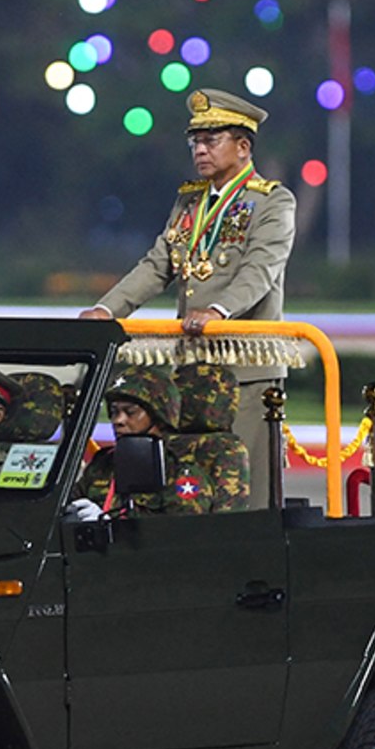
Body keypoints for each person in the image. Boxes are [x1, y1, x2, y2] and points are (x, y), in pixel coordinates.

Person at [79, 88, 296, 504]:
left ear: (243, 146)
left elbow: (260, 270)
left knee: (247, 491)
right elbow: (157, 264)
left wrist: (218, 310)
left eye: (211, 140)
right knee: (190, 483)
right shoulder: (190, 201)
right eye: (195, 141)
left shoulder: (272, 201)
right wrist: (107, 309)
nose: (199, 150)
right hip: (192, 366)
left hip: (244, 370)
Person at [70, 366, 218, 516]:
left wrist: (109, 524)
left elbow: (183, 529)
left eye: (130, 412)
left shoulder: (179, 472)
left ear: (158, 417)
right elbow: (68, 503)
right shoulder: (102, 464)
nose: (118, 420)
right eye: (114, 412)